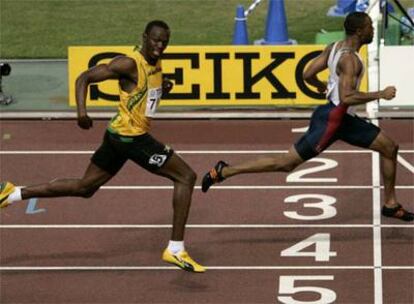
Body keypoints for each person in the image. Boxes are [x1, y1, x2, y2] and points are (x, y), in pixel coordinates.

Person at [0, 20, 205, 272]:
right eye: (155, 40)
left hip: (117, 136)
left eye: (164, 41)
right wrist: (81, 113)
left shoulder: (155, 62)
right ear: (144, 37)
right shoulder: (129, 63)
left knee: (85, 187)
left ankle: (13, 193)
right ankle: (175, 249)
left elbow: (142, 93)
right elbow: (83, 77)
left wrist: (163, 88)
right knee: (186, 176)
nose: (159, 46)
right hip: (133, 139)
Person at [201, 12, 413, 222]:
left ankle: (390, 204)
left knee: (389, 147)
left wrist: (322, 86)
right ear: (359, 31)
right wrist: (380, 94)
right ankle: (224, 171)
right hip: (333, 121)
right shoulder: (350, 60)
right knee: (285, 164)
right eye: (370, 27)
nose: (373, 30)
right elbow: (347, 96)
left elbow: (307, 74)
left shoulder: (334, 48)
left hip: (337, 116)